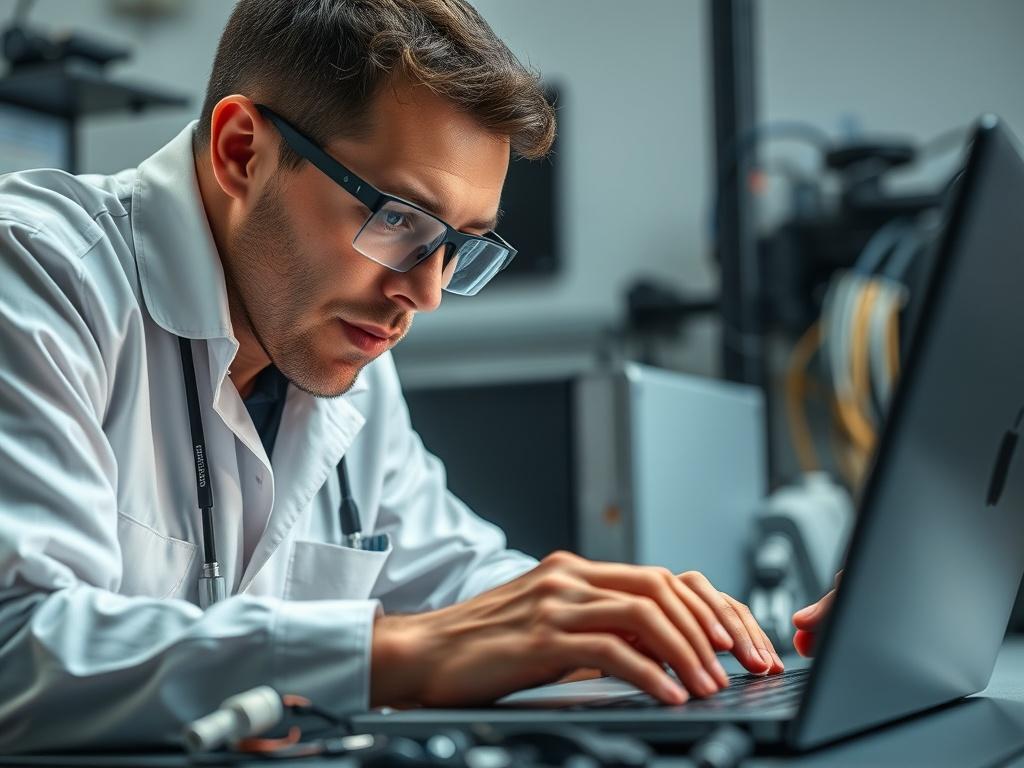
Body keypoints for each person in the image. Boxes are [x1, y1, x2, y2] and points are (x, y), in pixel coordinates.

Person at [0, 0, 814, 752]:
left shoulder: (338, 350)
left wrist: (633, 622)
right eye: (398, 220)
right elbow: (19, 647)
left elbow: (454, 581)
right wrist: (394, 652)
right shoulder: (38, 276)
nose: (423, 294)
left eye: (460, 245)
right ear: (241, 151)